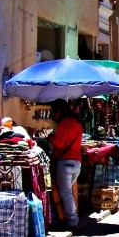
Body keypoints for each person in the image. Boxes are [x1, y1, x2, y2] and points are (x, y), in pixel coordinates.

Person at [47, 98, 83, 228]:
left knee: (65, 193)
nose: (53, 115)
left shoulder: (65, 123)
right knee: (67, 192)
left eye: (53, 112)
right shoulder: (77, 122)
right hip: (76, 162)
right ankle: (69, 216)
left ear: (59, 111)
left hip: (65, 162)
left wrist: (49, 138)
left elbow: (59, 143)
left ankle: (72, 220)